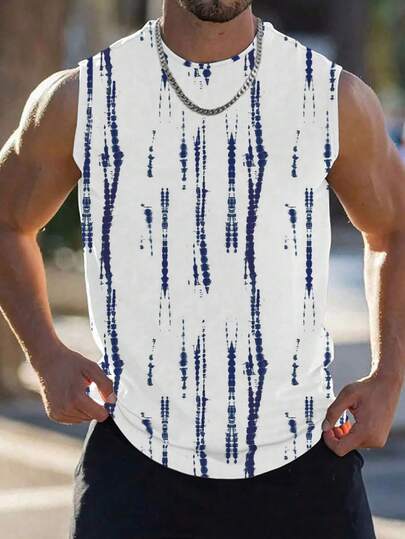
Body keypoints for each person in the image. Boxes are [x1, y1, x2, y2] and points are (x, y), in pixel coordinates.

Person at [0, 1, 404, 537]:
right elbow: (6, 221)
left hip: (307, 470)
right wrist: (45, 355)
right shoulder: (85, 97)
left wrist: (389, 376)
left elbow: (395, 228)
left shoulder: (329, 95)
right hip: (136, 471)